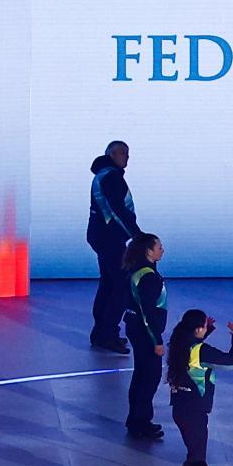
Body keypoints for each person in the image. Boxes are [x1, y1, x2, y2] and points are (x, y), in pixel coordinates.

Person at [87, 140, 142, 354]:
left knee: (109, 284)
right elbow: (117, 210)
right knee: (121, 286)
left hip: (102, 236)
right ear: (111, 154)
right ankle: (107, 334)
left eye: (128, 154)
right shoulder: (111, 176)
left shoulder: (103, 174)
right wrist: (137, 235)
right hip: (110, 237)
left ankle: (101, 333)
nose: (127, 158)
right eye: (123, 153)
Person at [167, 309, 233, 462]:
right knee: (197, 458)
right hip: (195, 410)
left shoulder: (178, 343)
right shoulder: (201, 351)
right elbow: (232, 362)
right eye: (203, 326)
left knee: (193, 452)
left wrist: (206, 330)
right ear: (197, 329)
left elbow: (194, 347)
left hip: (180, 406)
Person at [123, 233, 167, 440]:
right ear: (149, 251)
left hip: (135, 328)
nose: (162, 249)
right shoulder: (148, 277)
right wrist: (157, 340)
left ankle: (136, 420)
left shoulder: (137, 271)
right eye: (158, 246)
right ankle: (141, 421)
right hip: (145, 333)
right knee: (149, 377)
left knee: (141, 375)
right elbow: (148, 313)